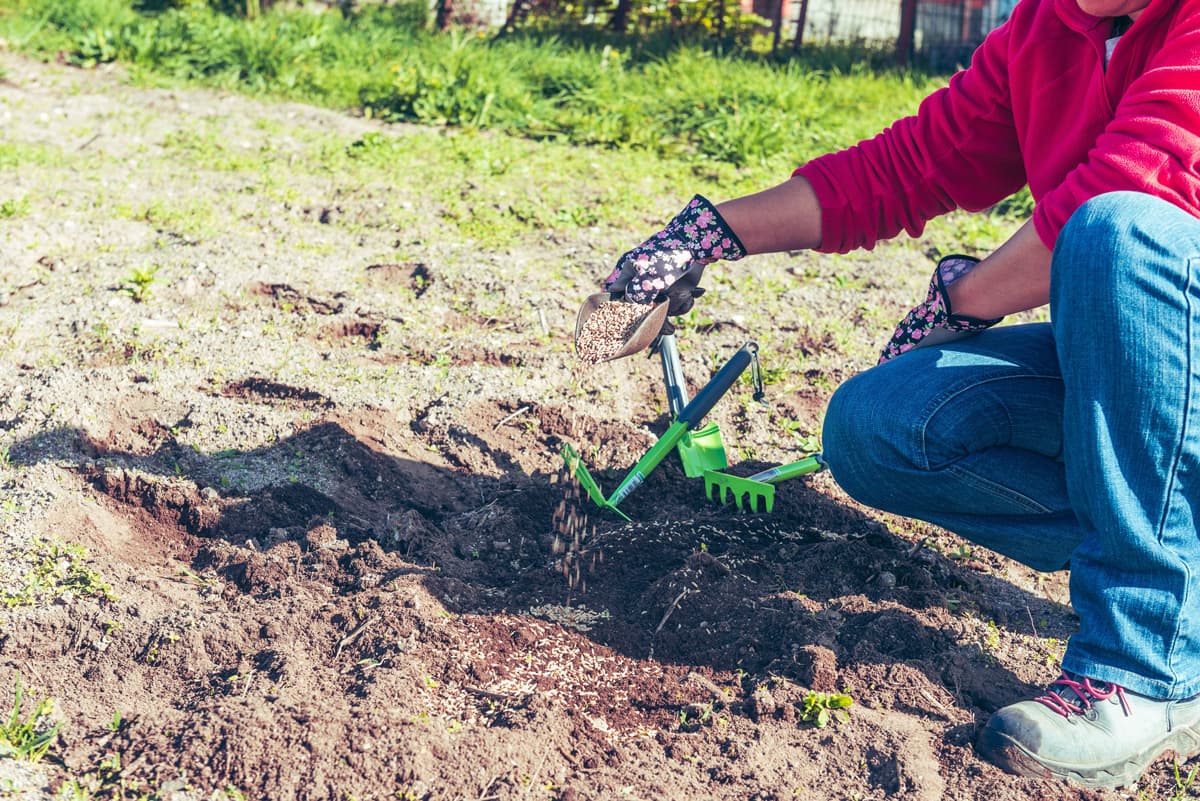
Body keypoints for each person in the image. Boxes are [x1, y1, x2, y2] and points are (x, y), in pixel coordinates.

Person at [599, 0, 1200, 789]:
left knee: (1119, 228)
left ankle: (1148, 666)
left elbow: (1133, 190)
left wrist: (963, 299)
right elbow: (910, 165)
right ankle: (1177, 560)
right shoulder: (1046, 30)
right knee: (882, 425)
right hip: (1153, 369)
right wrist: (707, 233)